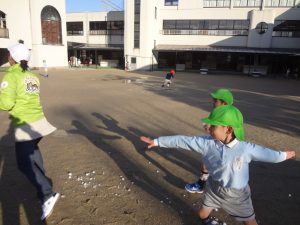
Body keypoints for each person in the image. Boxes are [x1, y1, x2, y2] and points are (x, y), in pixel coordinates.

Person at [140, 105, 295, 225]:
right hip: (214, 188)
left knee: (250, 221)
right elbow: (182, 141)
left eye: (213, 126)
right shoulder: (206, 143)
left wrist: (284, 155)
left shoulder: (245, 149)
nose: (208, 128)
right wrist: (158, 141)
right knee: (201, 214)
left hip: (237, 195)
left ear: (228, 129)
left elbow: (269, 155)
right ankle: (207, 221)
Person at [0, 42, 60, 221]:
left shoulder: (11, 76)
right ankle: (43, 188)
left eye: (9, 54)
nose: (7, 57)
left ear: (12, 58)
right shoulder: (33, 76)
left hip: (25, 125)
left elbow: (7, 104)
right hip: (38, 123)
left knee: (23, 163)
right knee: (33, 154)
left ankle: (47, 194)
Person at [185, 89, 233, 194]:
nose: (213, 102)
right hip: (214, 142)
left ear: (224, 103)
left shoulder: (230, 114)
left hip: (226, 145)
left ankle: (222, 192)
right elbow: (210, 122)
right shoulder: (215, 111)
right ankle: (201, 183)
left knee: (224, 168)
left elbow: (231, 132)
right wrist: (209, 125)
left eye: (215, 101)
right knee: (205, 160)